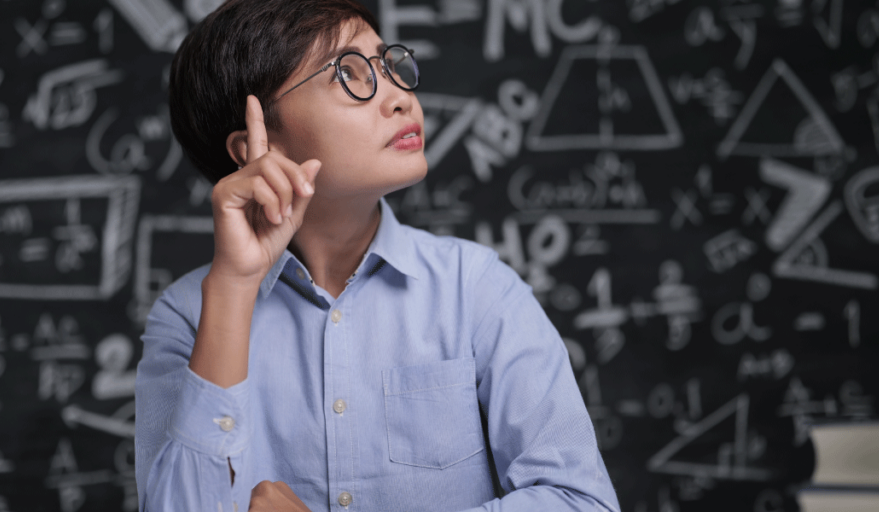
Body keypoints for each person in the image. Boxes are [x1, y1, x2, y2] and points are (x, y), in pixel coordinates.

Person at [135, 0, 621, 510]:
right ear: (260, 146)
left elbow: (580, 501)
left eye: (389, 66)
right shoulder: (188, 317)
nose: (399, 99)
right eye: (348, 75)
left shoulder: (475, 287)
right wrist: (234, 288)